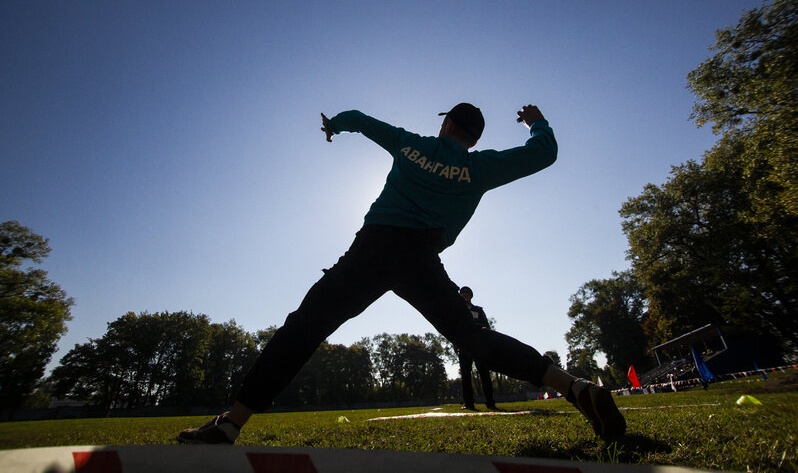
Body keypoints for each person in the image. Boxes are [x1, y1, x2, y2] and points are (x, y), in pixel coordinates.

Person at [178, 103, 626, 444]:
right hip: (420, 260)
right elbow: (544, 153)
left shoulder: (410, 144)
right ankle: (576, 387)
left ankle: (231, 423)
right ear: (472, 138)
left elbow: (359, 118)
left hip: (372, 252)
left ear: (447, 124)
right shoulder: (479, 167)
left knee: (304, 328)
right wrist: (536, 120)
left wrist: (334, 125)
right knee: (476, 342)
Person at [456, 286, 497, 410]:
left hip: (479, 345)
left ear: (470, 296)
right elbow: (455, 328)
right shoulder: (457, 310)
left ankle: (490, 402)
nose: (464, 296)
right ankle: (469, 404)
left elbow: (486, 326)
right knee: (466, 375)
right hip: (464, 345)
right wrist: (455, 343)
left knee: (484, 373)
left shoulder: (478, 310)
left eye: (467, 294)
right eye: (462, 294)